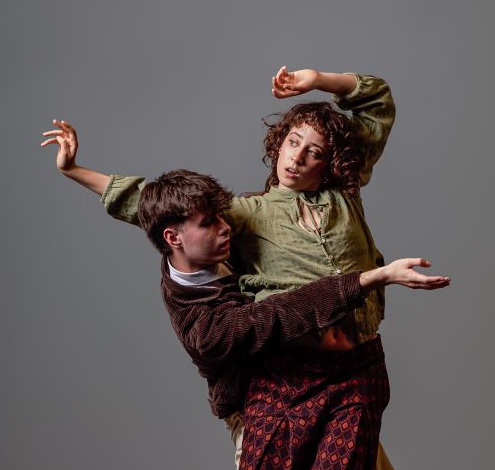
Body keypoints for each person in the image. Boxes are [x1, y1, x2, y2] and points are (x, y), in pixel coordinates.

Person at [41, 67, 448, 468]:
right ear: (279, 143)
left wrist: (319, 80)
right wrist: (75, 170)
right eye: (292, 142)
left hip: (358, 368)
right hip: (292, 375)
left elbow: (377, 103)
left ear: (330, 163)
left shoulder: (345, 194)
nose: (297, 157)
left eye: (314, 152)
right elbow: (153, 204)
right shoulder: (245, 215)